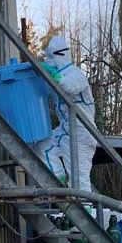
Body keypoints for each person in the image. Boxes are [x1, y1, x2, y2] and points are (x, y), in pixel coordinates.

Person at [34, 36, 96, 191]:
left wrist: (53, 75)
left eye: (50, 57)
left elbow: (70, 86)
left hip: (82, 133)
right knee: (43, 145)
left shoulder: (75, 73)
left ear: (58, 55)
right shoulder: (56, 77)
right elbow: (45, 92)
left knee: (79, 179)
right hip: (65, 129)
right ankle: (57, 179)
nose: (48, 60)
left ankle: (85, 212)